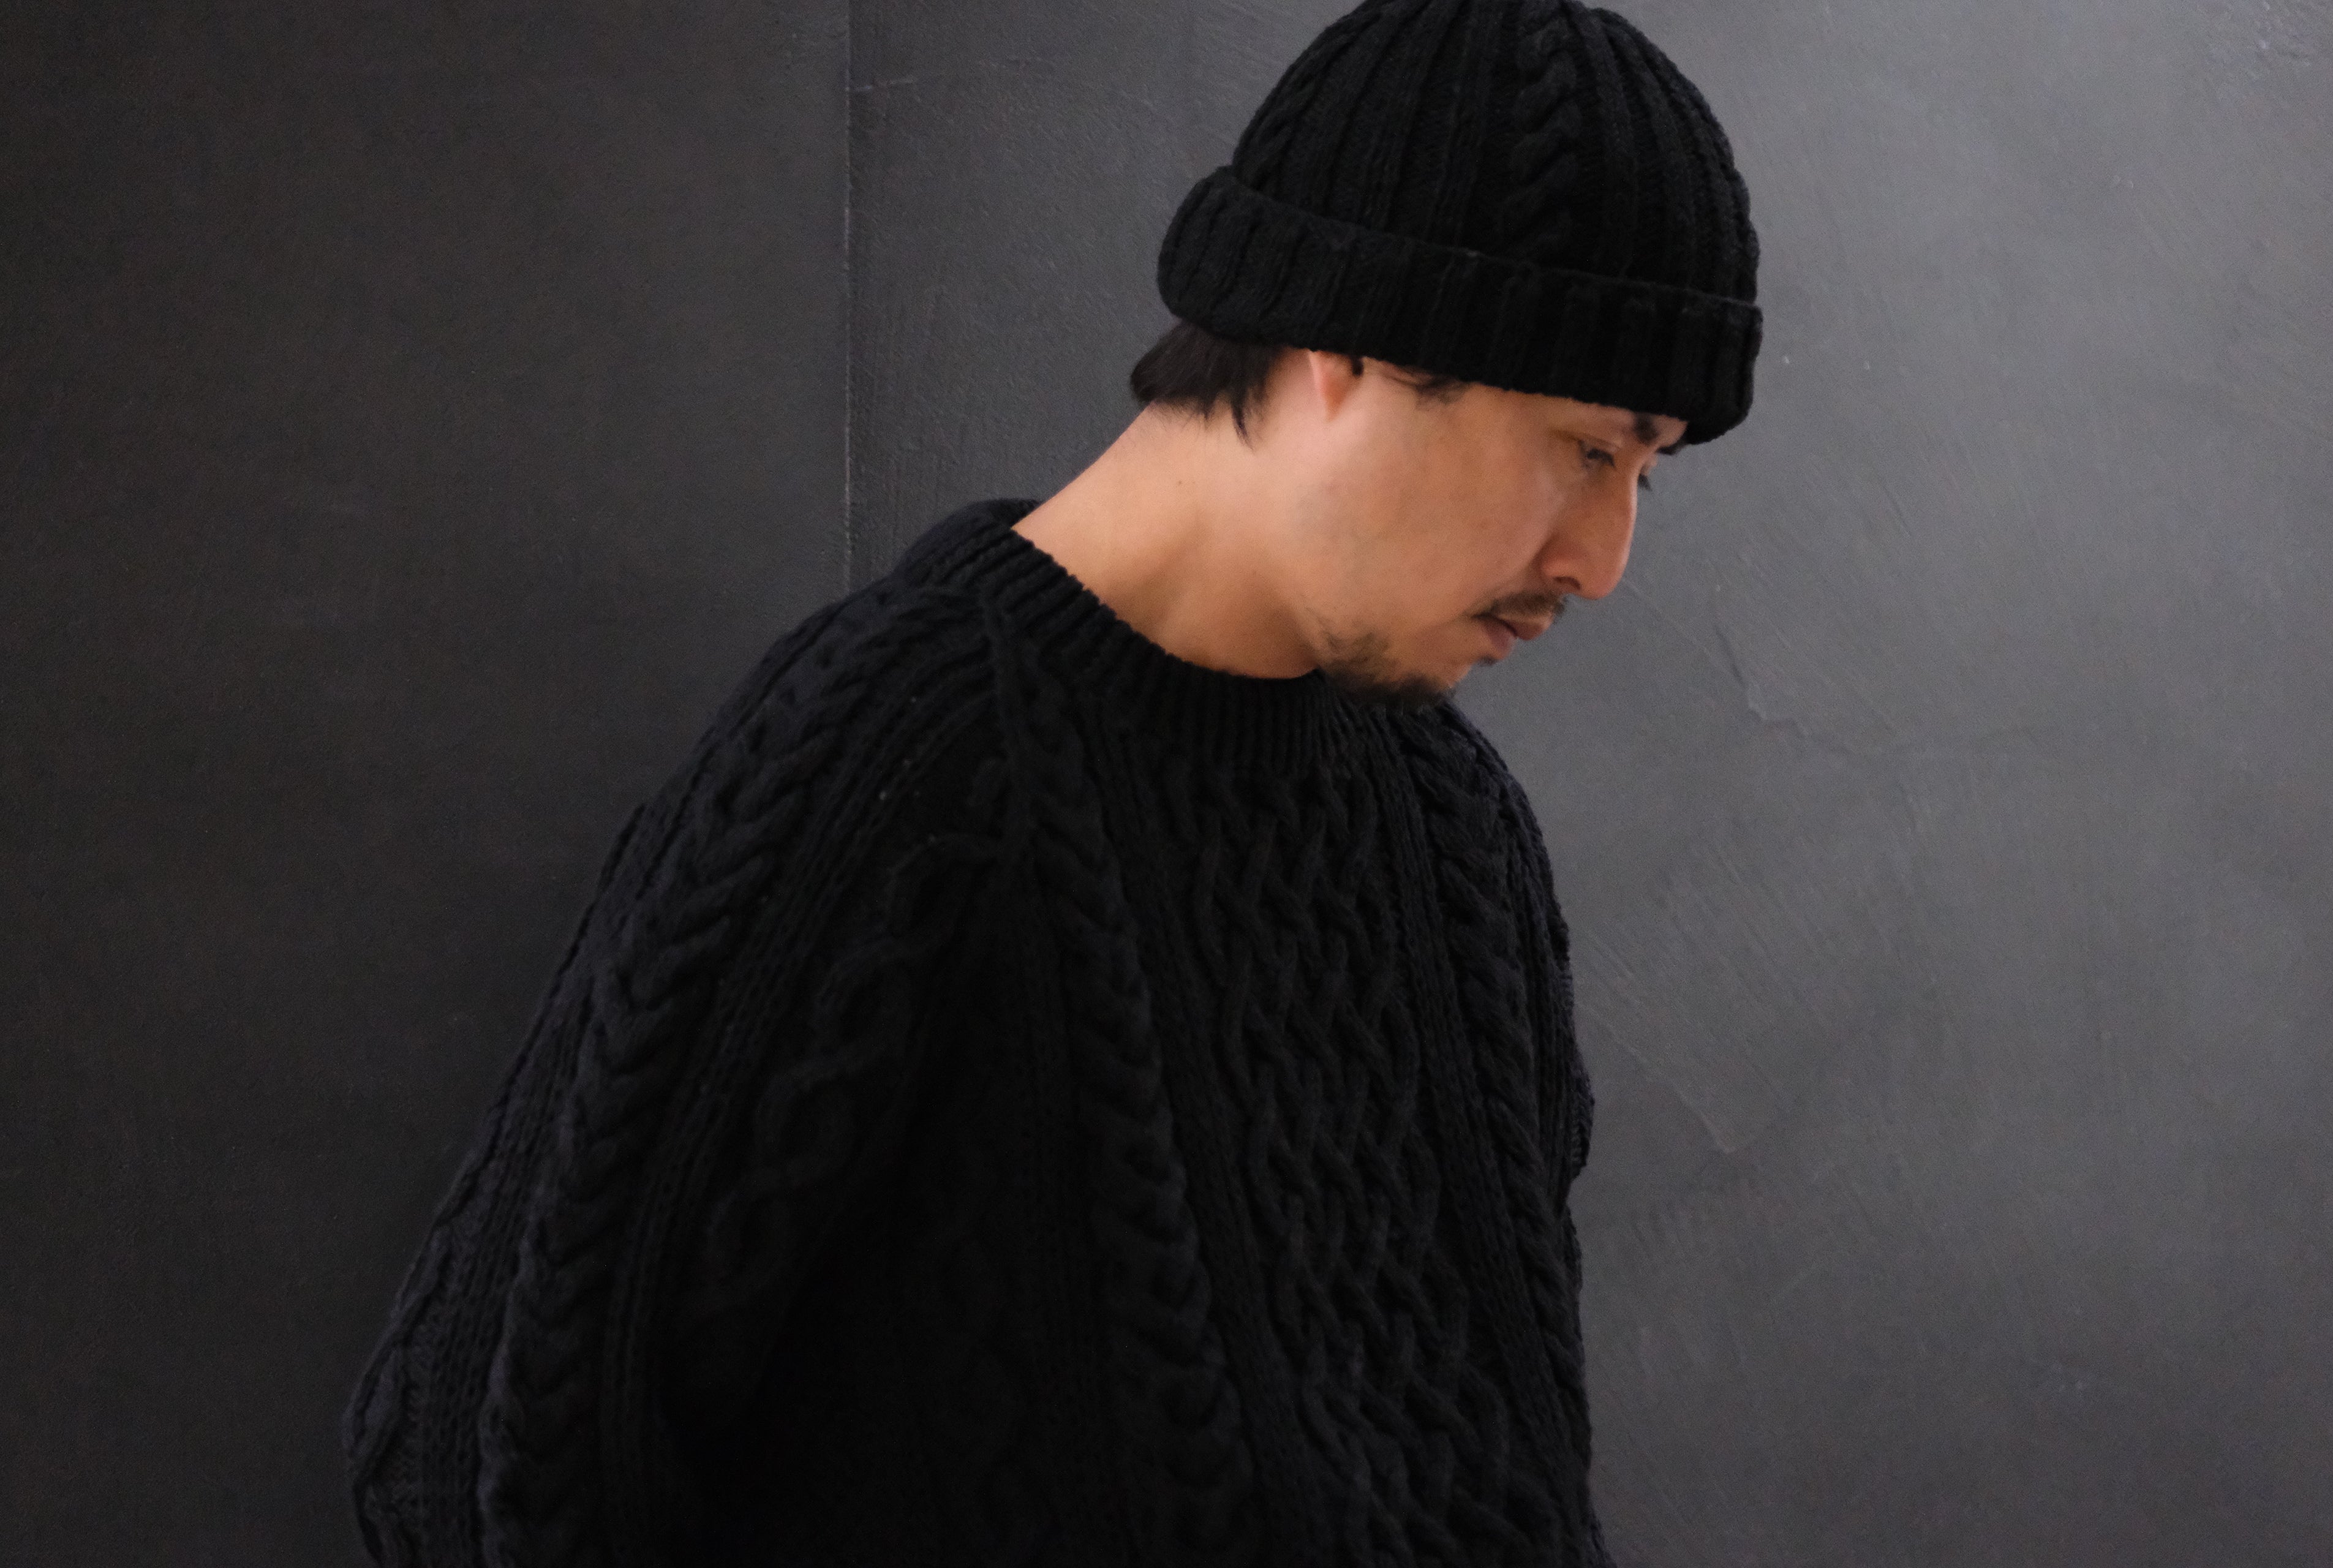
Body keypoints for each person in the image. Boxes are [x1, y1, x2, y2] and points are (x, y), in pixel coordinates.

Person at [342, 0, 1763, 1563]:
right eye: (1585, 449)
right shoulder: (908, 756)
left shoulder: (1452, 830)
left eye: (1648, 471)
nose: (1603, 559)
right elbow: (479, 1458)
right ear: (1350, 342)